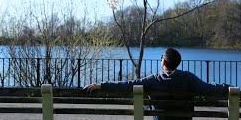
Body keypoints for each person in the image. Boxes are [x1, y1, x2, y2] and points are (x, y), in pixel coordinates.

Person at [83, 48, 229, 120]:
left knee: (148, 103)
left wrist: (101, 85)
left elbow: (127, 85)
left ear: (163, 62)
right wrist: (228, 88)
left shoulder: (153, 80)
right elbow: (209, 89)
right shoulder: (188, 78)